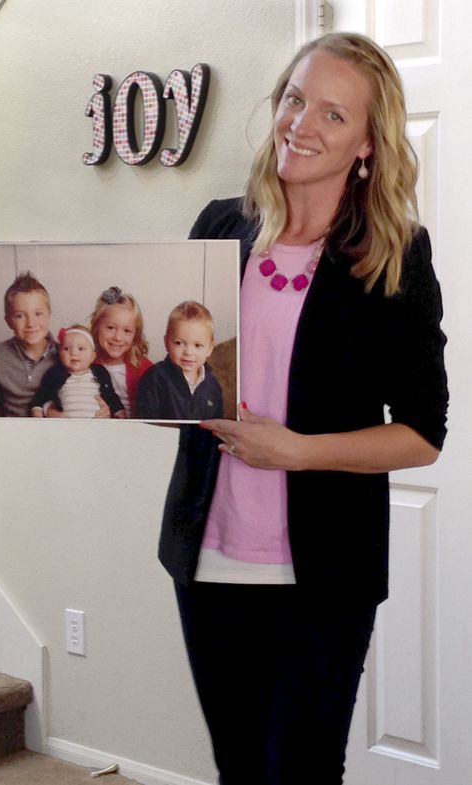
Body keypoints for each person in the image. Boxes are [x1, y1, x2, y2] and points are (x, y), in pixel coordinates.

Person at [158, 33, 448, 785]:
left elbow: (422, 433)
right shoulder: (220, 226)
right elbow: (185, 379)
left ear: (367, 145)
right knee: (240, 769)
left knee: (304, 770)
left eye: (332, 114)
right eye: (294, 98)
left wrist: (298, 450)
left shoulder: (395, 254)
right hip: (210, 557)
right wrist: (56, 373)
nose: (301, 123)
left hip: (324, 571)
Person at [0, 272, 58, 416]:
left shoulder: (63, 355)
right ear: (8, 321)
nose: (31, 323)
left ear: (49, 315)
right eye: (20, 316)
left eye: (38, 313)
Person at [136, 300, 223, 421]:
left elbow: (218, 424)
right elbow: (146, 420)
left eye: (197, 345)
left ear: (210, 349)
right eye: (178, 343)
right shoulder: (155, 378)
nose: (188, 352)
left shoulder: (213, 385)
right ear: (166, 343)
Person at [31, 325, 125, 418]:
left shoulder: (100, 372)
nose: (73, 353)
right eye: (66, 348)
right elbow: (41, 397)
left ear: (93, 356)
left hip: (96, 425)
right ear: (59, 354)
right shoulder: (55, 373)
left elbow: (111, 396)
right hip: (66, 427)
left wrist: (119, 413)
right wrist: (41, 415)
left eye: (81, 349)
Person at [89, 287, 153, 418]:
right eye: (111, 328)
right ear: (96, 327)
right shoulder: (86, 365)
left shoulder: (145, 368)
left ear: (135, 334)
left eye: (127, 331)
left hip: (136, 430)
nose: (118, 337)